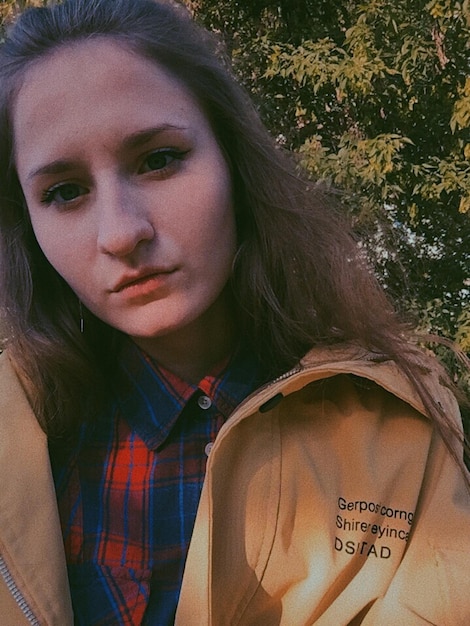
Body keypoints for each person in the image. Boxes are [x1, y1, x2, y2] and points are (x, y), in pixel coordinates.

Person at [0, 0, 468, 624]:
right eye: (64, 192)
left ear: (235, 160)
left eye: (159, 159)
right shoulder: (18, 432)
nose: (119, 233)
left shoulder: (398, 426)